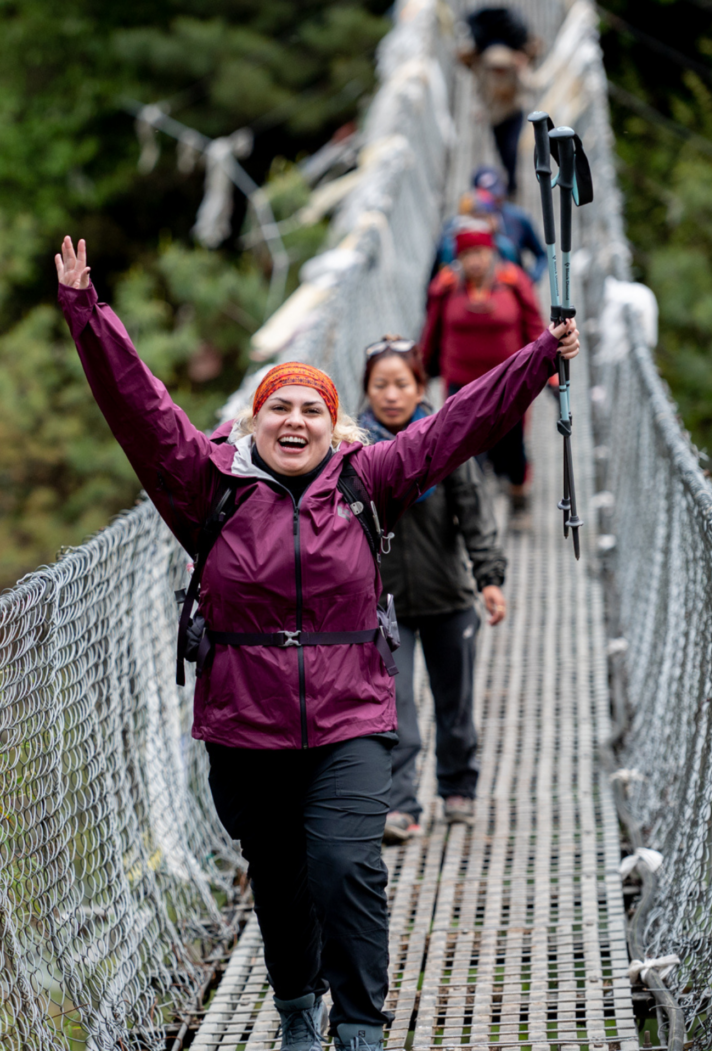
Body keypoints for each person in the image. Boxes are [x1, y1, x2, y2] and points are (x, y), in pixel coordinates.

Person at [55, 236, 579, 1051]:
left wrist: (539, 355)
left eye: (311, 410)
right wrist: (88, 315)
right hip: (246, 723)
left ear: (334, 430)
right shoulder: (207, 488)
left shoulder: (368, 479)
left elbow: (461, 424)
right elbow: (141, 407)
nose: (294, 420)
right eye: (279, 408)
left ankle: (361, 1024)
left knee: (346, 866)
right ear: (253, 423)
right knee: (280, 878)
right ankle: (297, 1005)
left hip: (350, 714)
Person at [358, 338, 508, 841]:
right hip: (382, 605)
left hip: (447, 596)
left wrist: (489, 578)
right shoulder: (355, 450)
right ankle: (400, 805)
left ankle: (457, 788)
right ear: (367, 392)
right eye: (381, 385)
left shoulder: (445, 442)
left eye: (402, 384)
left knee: (455, 703)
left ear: (422, 387)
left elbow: (476, 514)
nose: (392, 395)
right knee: (392, 709)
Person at [421, 222, 544, 516]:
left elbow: (535, 327)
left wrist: (548, 370)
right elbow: (431, 332)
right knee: (464, 451)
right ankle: (471, 516)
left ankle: (518, 497)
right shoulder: (447, 286)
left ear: (491, 252)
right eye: (468, 254)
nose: (475, 260)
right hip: (460, 383)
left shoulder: (514, 281)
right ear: (458, 258)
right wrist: (418, 372)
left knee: (512, 446)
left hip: (509, 382)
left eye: (480, 252)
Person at [459, 8, 538, 197]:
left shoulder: (516, 69)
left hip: (513, 112)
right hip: (494, 116)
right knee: (501, 150)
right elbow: (477, 87)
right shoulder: (483, 71)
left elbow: (530, 85)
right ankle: (509, 181)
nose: (498, 70)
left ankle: (511, 184)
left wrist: (523, 66)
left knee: (511, 149)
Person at [472, 165, 547, 284]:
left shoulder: (519, 219)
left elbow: (541, 255)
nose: (495, 199)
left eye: (497, 194)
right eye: (488, 198)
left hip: (513, 287)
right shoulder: (464, 227)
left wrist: (530, 279)